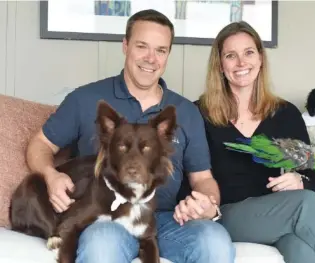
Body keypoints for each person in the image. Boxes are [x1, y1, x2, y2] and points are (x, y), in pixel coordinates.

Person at [26, 9, 234, 263]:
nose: (151, 58)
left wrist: (207, 204)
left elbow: (203, 178)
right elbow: (40, 144)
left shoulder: (186, 112)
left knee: (215, 242)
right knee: (101, 245)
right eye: (142, 46)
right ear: (125, 46)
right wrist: (50, 176)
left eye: (161, 50)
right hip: (107, 215)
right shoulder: (85, 99)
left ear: (168, 54)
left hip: (166, 218)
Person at [176, 21, 315, 263]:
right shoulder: (197, 114)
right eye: (231, 56)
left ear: (261, 59)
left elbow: (314, 172)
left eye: (248, 53)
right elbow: (185, 178)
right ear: (220, 66)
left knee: (303, 250)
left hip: (276, 214)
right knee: (305, 206)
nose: (241, 63)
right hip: (223, 213)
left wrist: (299, 180)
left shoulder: (285, 113)